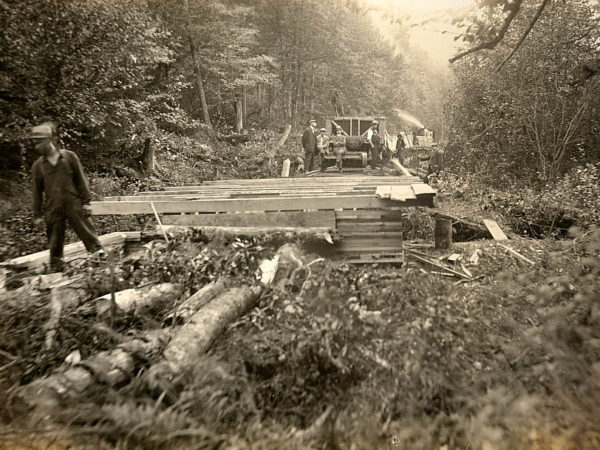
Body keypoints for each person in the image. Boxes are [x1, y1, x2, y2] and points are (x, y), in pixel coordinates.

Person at [30, 121, 103, 271]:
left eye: (39, 143)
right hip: (53, 208)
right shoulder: (38, 166)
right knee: (55, 243)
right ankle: (57, 271)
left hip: (74, 204)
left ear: (50, 140)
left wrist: (87, 202)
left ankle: (100, 263)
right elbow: (36, 192)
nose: (36, 147)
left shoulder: (69, 157)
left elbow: (81, 180)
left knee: (88, 235)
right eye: (34, 143)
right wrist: (37, 215)